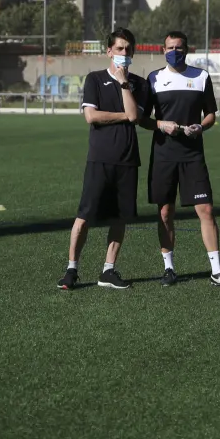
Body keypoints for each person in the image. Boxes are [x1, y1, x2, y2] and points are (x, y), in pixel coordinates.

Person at [142, 31, 220, 288]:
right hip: (163, 154)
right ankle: (169, 269)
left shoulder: (201, 76)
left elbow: (211, 115)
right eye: (170, 47)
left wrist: (200, 127)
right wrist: (161, 124)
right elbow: (143, 119)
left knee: (205, 209)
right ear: (163, 50)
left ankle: (217, 271)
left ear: (187, 49)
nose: (175, 51)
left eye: (179, 47)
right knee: (164, 212)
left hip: (193, 154)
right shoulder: (154, 79)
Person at [58, 27, 148, 291]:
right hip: (100, 158)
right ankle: (71, 270)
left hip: (128, 159)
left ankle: (108, 271)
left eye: (128, 49)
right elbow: (91, 117)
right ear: (109, 51)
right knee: (84, 216)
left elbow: (135, 115)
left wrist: (123, 84)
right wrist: (121, 114)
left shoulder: (140, 85)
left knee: (120, 217)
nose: (124, 53)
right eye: (119, 49)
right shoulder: (94, 79)